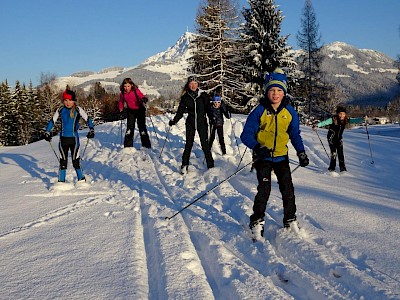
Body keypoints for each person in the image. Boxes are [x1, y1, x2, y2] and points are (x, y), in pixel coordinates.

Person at [240, 68, 309, 239]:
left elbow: (294, 134)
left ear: (284, 92)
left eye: (279, 90)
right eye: (272, 90)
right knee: (264, 189)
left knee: (288, 189)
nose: (275, 94)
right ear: (267, 91)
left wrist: (301, 152)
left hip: (281, 157)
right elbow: (246, 135)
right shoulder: (259, 111)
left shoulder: (289, 112)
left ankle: (290, 218)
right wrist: (257, 147)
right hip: (263, 157)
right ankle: (256, 221)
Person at [43, 87, 95, 183]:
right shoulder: (60, 110)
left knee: (76, 161)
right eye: (65, 100)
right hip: (63, 140)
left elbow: (88, 119)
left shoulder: (78, 109)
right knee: (63, 161)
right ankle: (61, 182)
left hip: (74, 140)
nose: (68, 102)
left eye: (70, 100)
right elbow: (52, 121)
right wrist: (47, 131)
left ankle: (81, 180)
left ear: (74, 100)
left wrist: (91, 129)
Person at [169, 75, 214, 173]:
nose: (193, 86)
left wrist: (212, 119)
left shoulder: (203, 95)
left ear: (198, 84)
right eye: (191, 83)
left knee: (205, 144)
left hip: (202, 122)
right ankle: (184, 165)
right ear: (188, 85)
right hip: (190, 123)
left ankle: (211, 165)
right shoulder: (185, 97)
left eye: (195, 83)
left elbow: (208, 110)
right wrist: (174, 121)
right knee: (188, 145)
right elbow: (180, 112)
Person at [314, 106, 364, 172]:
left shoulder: (346, 120)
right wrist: (317, 125)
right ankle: (332, 168)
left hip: (339, 138)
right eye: (340, 114)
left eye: (343, 114)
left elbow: (354, 120)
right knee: (333, 153)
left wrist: (362, 119)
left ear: (345, 114)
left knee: (341, 153)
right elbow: (324, 122)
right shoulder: (333, 119)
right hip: (331, 138)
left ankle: (342, 168)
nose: (342, 115)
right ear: (337, 114)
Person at [118, 77, 151, 148]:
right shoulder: (122, 93)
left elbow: (141, 95)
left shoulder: (136, 91)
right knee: (129, 129)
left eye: (128, 86)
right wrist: (121, 110)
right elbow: (121, 102)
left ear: (131, 85)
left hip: (140, 110)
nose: (126, 88)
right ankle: (128, 146)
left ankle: (146, 146)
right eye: (125, 86)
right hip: (130, 111)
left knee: (142, 128)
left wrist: (144, 99)